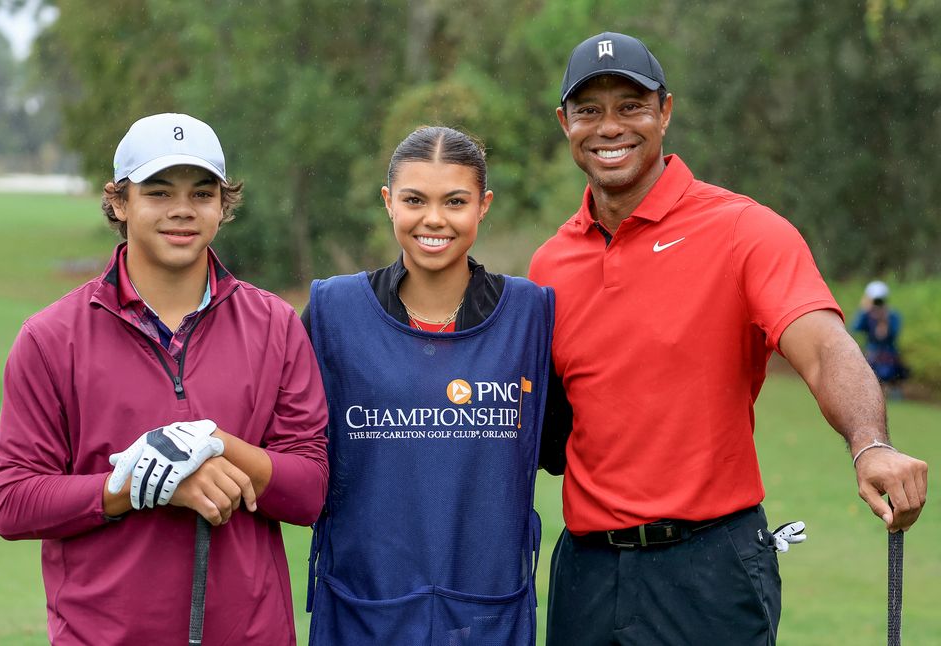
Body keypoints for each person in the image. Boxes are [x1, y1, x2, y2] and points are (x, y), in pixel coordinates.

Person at [528, 32, 929, 645]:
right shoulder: (550, 264)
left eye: (630, 106)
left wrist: (869, 443)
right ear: (565, 123)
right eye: (589, 110)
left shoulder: (744, 231)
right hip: (586, 572)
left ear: (665, 111)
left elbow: (823, 349)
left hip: (708, 570)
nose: (610, 127)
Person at [0, 113, 329, 645]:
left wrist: (213, 444)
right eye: (159, 191)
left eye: (202, 193)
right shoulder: (51, 338)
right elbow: (13, 501)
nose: (181, 211)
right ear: (120, 203)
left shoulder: (276, 326)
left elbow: (309, 492)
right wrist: (137, 487)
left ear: (223, 206)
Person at [302, 126, 554, 645]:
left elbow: (569, 445)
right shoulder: (335, 312)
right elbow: (286, 452)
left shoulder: (530, 317)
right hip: (362, 609)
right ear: (388, 202)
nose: (434, 219)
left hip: (489, 616)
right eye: (415, 200)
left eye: (455, 201)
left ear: (483, 205)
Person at [853, 280, 909, 396]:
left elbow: (892, 334)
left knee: (889, 380)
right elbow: (855, 327)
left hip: (889, 355)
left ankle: (893, 391)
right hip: (871, 353)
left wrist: (884, 319)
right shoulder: (867, 314)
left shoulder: (892, 315)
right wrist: (864, 310)